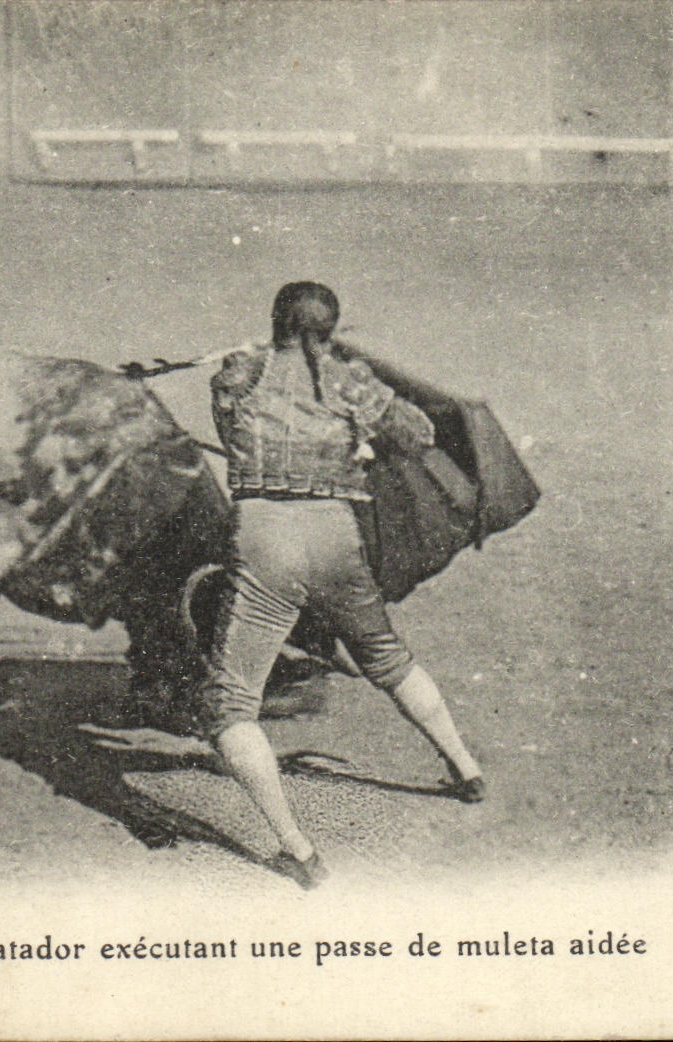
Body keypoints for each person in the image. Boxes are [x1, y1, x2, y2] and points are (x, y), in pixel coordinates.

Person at [201, 281, 484, 889]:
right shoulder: (352, 383)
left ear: (276, 321)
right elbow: (419, 435)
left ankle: (297, 850)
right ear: (332, 327)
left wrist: (258, 360)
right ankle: (464, 767)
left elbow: (227, 429)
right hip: (335, 535)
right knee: (383, 654)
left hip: (265, 539)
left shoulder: (239, 373)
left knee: (230, 704)